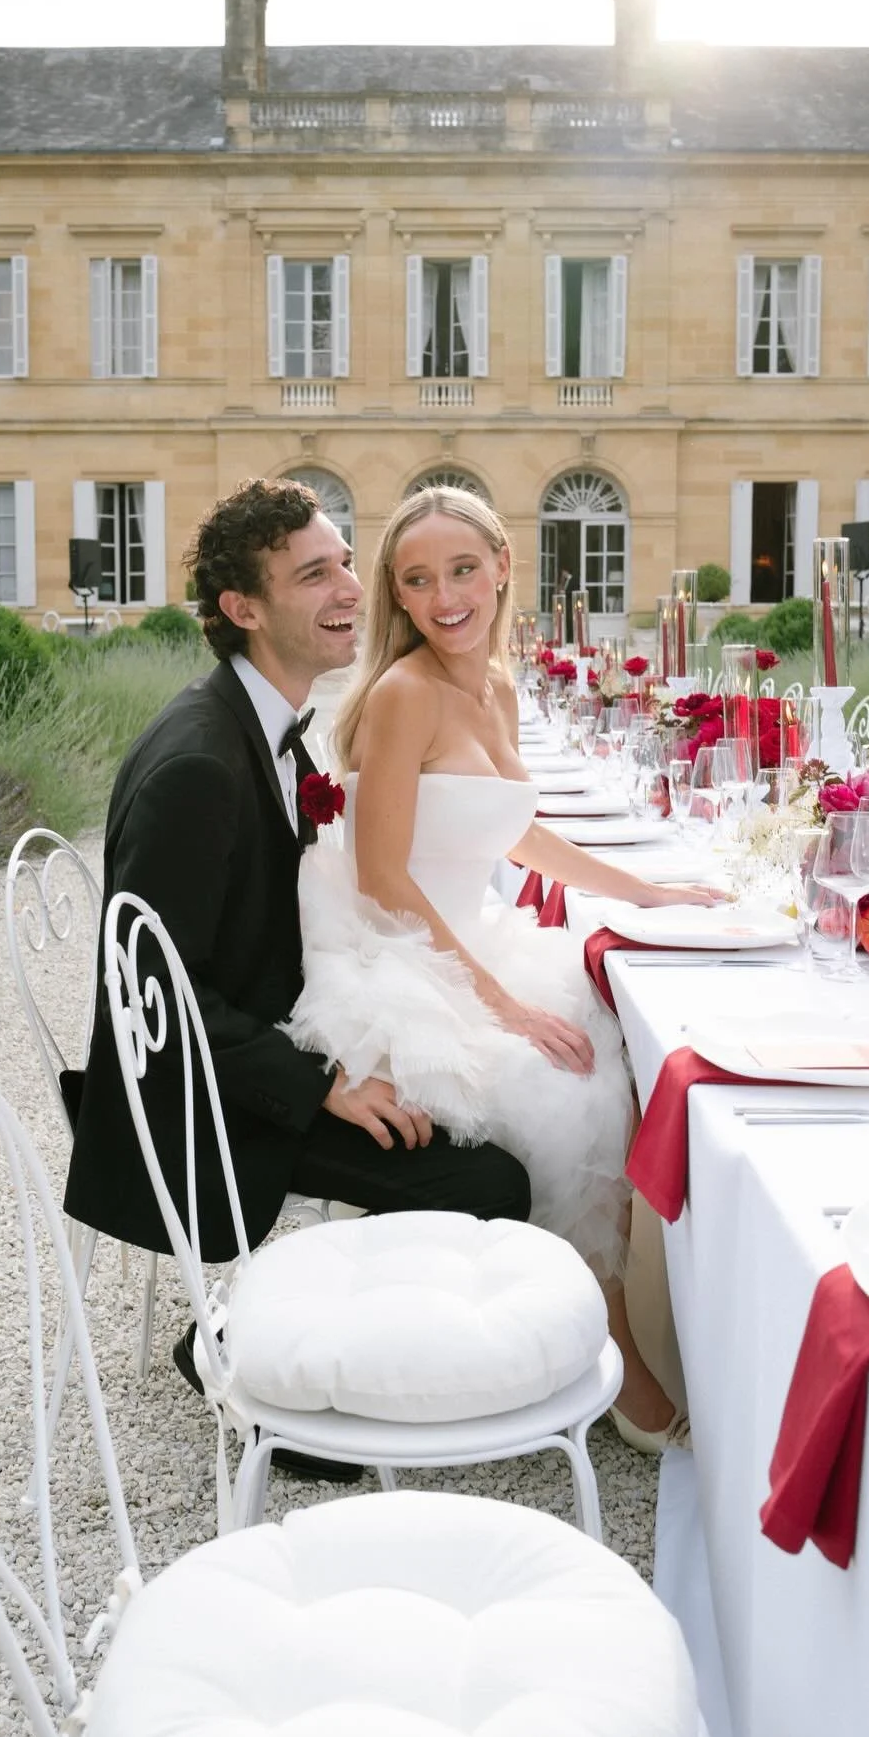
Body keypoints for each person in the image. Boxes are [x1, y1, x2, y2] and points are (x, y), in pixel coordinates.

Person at [65, 479, 533, 1427]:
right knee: (489, 1176)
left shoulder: (271, 727)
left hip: (273, 1031)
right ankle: (256, 1358)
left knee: (483, 1098)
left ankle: (372, 1348)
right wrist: (326, 1081)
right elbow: (152, 992)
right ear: (244, 609)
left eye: (347, 564)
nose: (352, 590)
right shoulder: (199, 764)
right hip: (208, 1101)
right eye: (316, 575)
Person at [285, 485, 726, 1449]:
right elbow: (386, 878)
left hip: (467, 934)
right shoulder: (403, 696)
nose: (444, 596)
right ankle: (612, 1360)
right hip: (399, 951)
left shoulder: (495, 686)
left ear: (502, 570)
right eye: (416, 580)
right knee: (563, 1085)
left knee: (614, 1051)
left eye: (462, 570)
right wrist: (503, 1006)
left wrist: (645, 890)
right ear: (397, 598)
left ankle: (601, 1328)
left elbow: (518, 833)